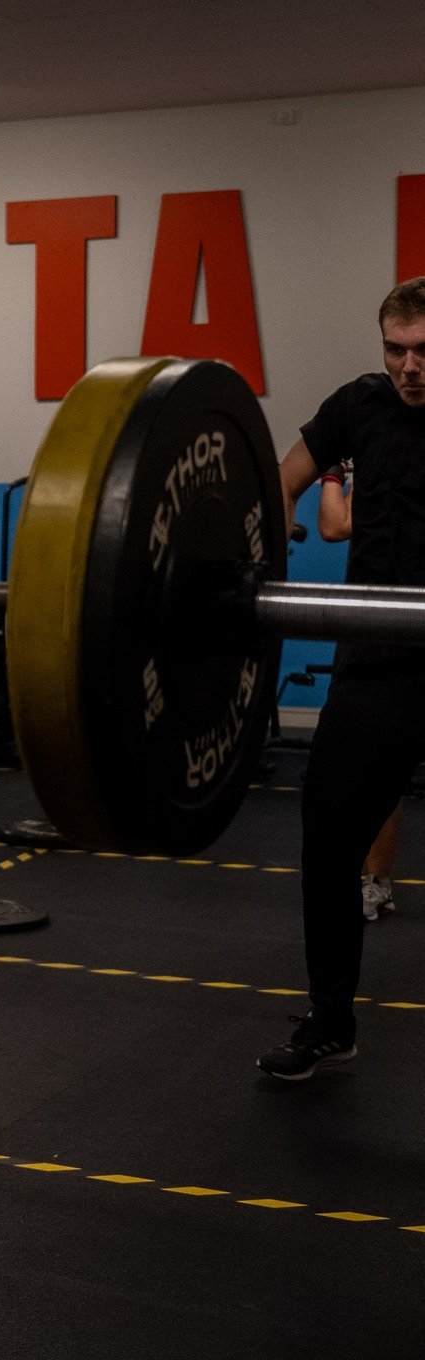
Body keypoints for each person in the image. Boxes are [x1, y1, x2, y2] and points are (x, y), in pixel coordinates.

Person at [260, 278, 425, 1080]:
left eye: (424, 350)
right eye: (396, 349)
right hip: (377, 663)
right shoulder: (357, 406)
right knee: (328, 838)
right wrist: (270, 528)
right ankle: (330, 1022)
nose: (409, 367)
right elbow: (279, 482)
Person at [316, 463, 401, 922]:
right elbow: (336, 526)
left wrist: (334, 476)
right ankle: (376, 882)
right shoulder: (380, 456)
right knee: (378, 762)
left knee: (381, 761)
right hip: (377, 617)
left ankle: (377, 882)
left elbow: (334, 525)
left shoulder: (389, 459)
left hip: (397, 619)